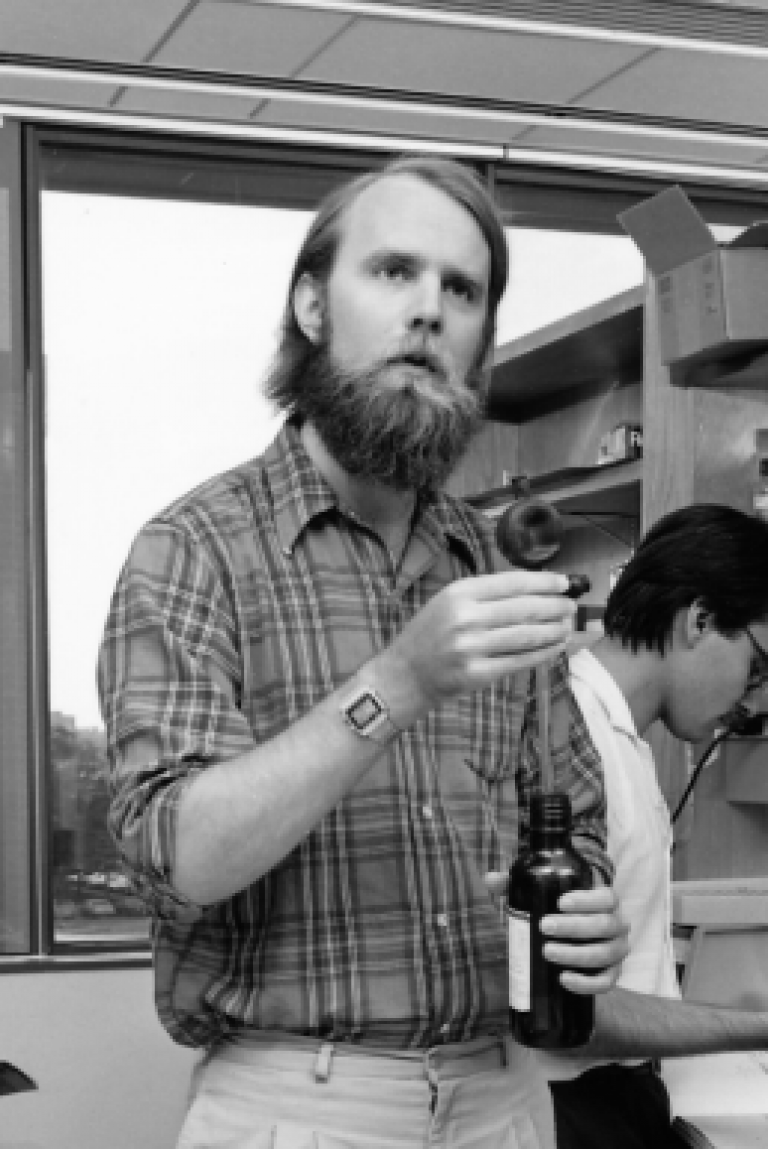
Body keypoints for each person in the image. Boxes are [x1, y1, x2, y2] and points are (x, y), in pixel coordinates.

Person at [97, 155, 628, 1149]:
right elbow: (185, 855)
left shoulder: (491, 560)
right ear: (311, 304)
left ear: (478, 341)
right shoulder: (193, 548)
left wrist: (582, 905)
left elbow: (575, 821)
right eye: (393, 272)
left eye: (461, 289)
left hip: (504, 1099)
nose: (428, 311)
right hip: (300, 1106)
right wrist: (397, 680)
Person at [537, 503, 768, 1149]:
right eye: (758, 668)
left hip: (614, 1096)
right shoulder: (567, 733)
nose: (756, 702)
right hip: (569, 1106)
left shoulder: (624, 741)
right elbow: (573, 1012)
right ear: (698, 619)